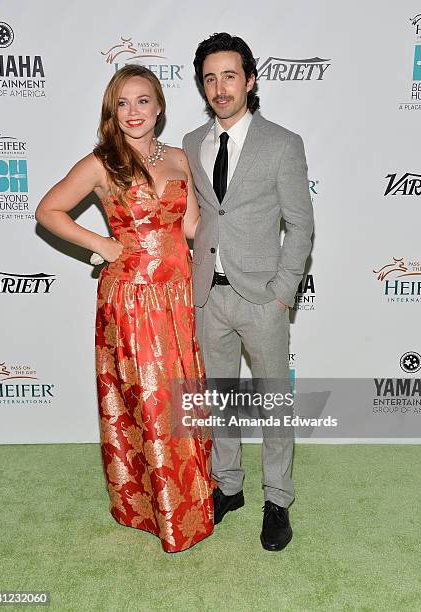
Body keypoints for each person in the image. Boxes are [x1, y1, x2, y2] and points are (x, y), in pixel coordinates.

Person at [35, 65, 213, 553]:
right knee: (149, 401)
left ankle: (192, 498)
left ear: (159, 107)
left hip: (178, 295)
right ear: (112, 112)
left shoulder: (180, 157)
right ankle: (153, 508)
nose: (133, 112)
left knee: (182, 399)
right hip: (131, 298)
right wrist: (103, 245)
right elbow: (47, 211)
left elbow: (193, 228)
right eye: (123, 103)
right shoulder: (100, 162)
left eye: (143, 101)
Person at [182, 33, 314, 551]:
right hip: (207, 295)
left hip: (262, 297)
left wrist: (283, 292)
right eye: (210, 77)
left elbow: (300, 226)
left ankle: (278, 498)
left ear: (250, 80)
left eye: (230, 75)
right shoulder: (193, 143)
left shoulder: (283, 143)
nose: (220, 87)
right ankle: (229, 486)